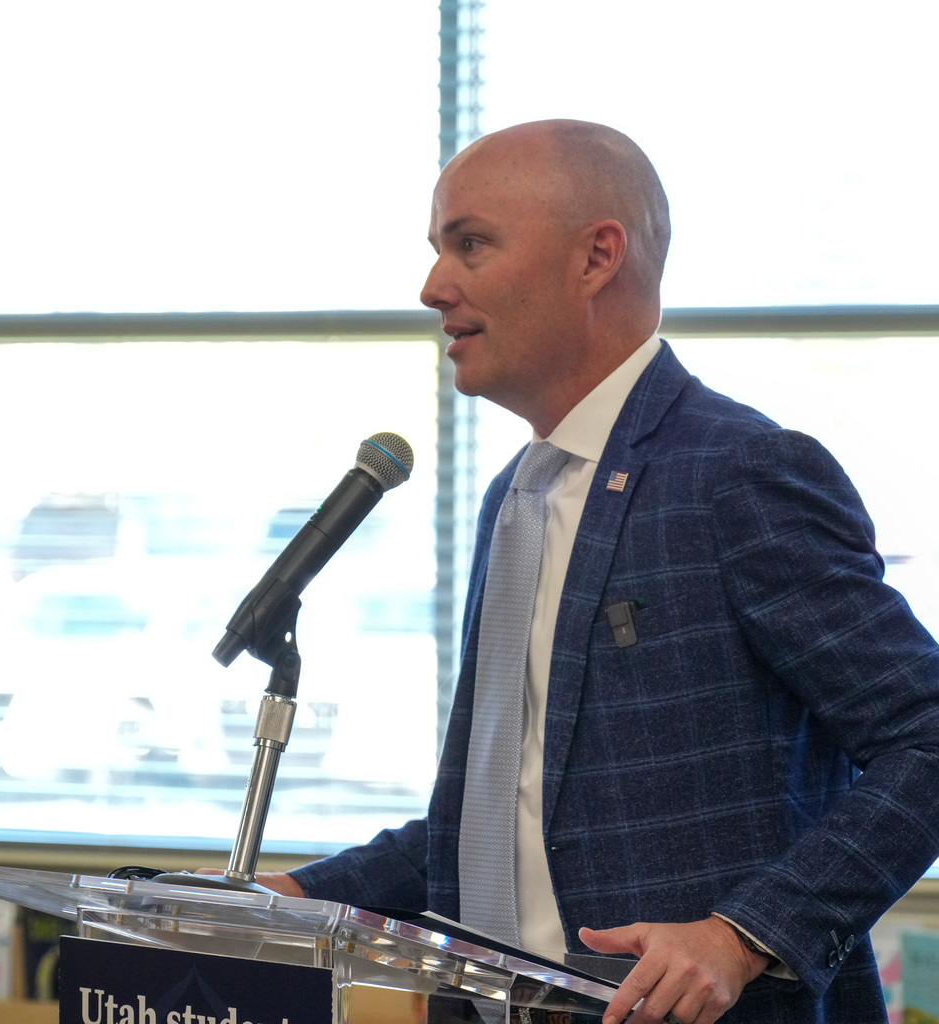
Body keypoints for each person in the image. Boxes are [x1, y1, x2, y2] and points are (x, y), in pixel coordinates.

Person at [255, 120, 939, 1023]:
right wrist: (289, 898)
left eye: (470, 244)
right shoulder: (517, 498)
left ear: (596, 258)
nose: (433, 287)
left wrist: (744, 935)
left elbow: (926, 736)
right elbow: (502, 818)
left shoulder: (737, 472)